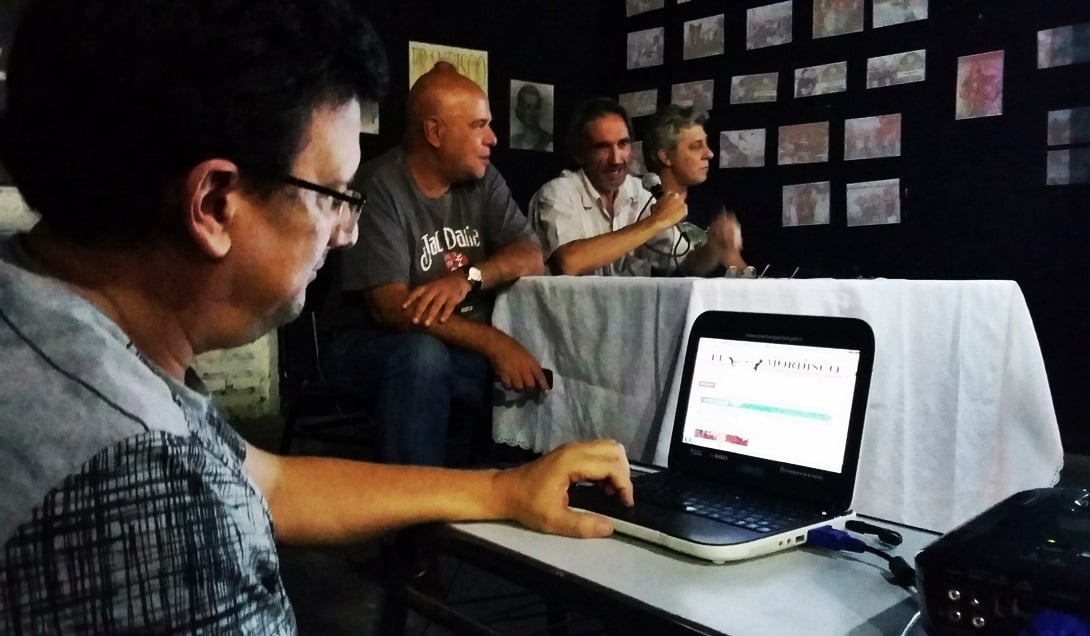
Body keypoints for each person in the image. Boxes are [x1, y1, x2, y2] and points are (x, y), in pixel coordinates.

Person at [0, 2, 632, 633]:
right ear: (216, 205)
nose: (343, 236)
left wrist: (501, 491)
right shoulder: (151, 491)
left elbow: (265, 483)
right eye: (334, 197)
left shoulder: (37, 306)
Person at [324, 62, 551, 467]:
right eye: (479, 126)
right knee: (422, 357)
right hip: (370, 345)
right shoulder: (380, 187)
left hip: (459, 346)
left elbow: (531, 254)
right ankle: (412, 518)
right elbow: (392, 308)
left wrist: (468, 278)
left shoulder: (484, 179)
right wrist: (495, 344)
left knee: (547, 363)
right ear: (435, 132)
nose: (492, 139)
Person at [528, 97, 737, 277]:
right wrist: (655, 222)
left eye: (623, 144)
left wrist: (714, 248)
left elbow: (686, 264)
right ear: (580, 154)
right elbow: (569, 262)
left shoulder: (640, 192)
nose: (616, 159)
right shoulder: (557, 193)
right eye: (602, 147)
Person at [642, 104, 748, 275]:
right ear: (666, 157)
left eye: (706, 144)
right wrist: (712, 249)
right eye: (696, 146)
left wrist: (755, 280)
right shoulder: (639, 207)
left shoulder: (710, 206)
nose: (709, 153)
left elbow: (738, 270)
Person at [510, 83, 553, 152]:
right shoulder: (513, 141)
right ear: (519, 111)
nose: (533, 112)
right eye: (528, 107)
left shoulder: (549, 141)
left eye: (536, 107)